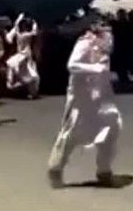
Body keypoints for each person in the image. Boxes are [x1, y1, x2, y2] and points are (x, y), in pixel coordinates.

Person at [47, 21, 122, 188]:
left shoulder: (104, 47)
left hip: (101, 96)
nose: (109, 36)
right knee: (72, 133)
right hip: (82, 97)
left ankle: (104, 171)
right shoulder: (84, 43)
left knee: (113, 127)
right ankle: (55, 169)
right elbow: (72, 65)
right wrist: (94, 68)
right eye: (106, 31)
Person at [5, 14, 40, 99]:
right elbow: (34, 32)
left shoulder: (20, 34)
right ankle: (14, 84)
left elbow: (16, 26)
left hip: (25, 56)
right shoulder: (24, 35)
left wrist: (20, 18)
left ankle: (31, 92)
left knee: (30, 74)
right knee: (29, 74)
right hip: (23, 56)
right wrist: (35, 23)